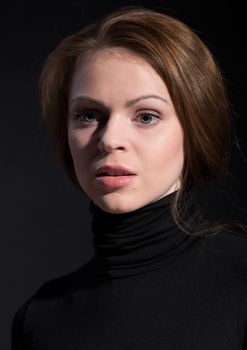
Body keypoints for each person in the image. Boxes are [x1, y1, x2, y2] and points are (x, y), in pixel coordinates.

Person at [11, 6, 247, 349]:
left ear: (195, 131)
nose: (109, 140)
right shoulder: (39, 318)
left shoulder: (240, 282)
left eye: (147, 117)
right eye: (88, 115)